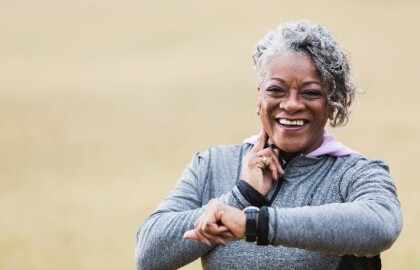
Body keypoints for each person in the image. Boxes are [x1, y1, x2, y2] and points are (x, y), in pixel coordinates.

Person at [135, 20, 402, 270]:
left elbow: (381, 225)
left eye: (310, 92)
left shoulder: (355, 173)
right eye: (276, 90)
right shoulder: (213, 165)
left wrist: (254, 224)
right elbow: (148, 253)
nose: (291, 104)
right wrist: (242, 196)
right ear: (259, 96)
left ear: (333, 103)